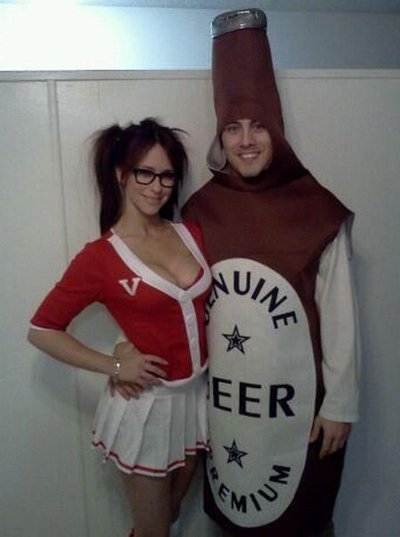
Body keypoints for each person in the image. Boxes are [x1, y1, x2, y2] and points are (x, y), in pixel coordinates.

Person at [181, 9, 360, 537]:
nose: (246, 140)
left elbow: (340, 318)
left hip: (300, 413)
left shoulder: (316, 209)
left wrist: (341, 405)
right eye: (232, 128)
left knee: (303, 521)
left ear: (275, 129)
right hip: (227, 411)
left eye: (258, 125)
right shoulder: (199, 210)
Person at [28, 118, 212, 537]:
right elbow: (42, 330)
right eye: (145, 173)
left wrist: (123, 341)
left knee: (172, 513)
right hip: (146, 406)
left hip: (196, 397)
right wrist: (114, 364)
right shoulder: (99, 258)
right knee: (153, 530)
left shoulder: (192, 233)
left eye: (167, 175)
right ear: (120, 174)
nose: (157, 187)